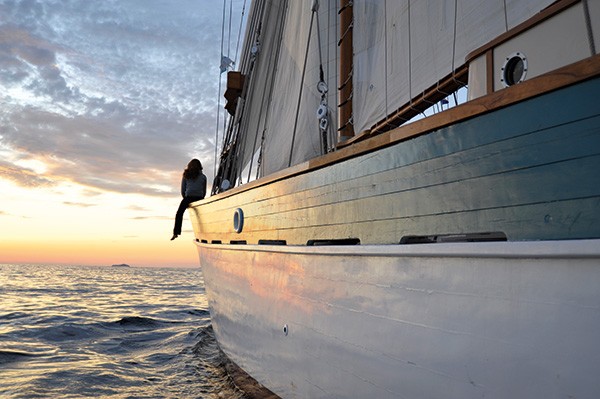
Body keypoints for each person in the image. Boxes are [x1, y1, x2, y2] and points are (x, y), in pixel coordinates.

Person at [171, 159, 207, 240]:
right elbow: (204, 191)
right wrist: (201, 198)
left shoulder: (186, 176)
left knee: (179, 213)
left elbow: (182, 190)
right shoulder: (203, 177)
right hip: (199, 198)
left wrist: (186, 199)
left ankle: (176, 233)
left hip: (188, 197)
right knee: (201, 215)